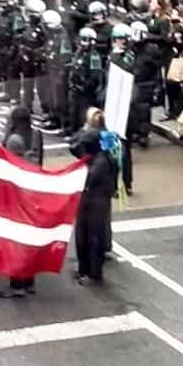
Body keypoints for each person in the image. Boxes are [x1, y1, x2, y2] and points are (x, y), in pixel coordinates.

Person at [70, 113, 117, 284]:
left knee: (94, 238)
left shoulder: (101, 162)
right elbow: (73, 146)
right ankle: (85, 269)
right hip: (89, 200)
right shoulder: (96, 157)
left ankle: (94, 272)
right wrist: (84, 129)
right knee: (83, 236)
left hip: (97, 203)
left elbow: (88, 179)